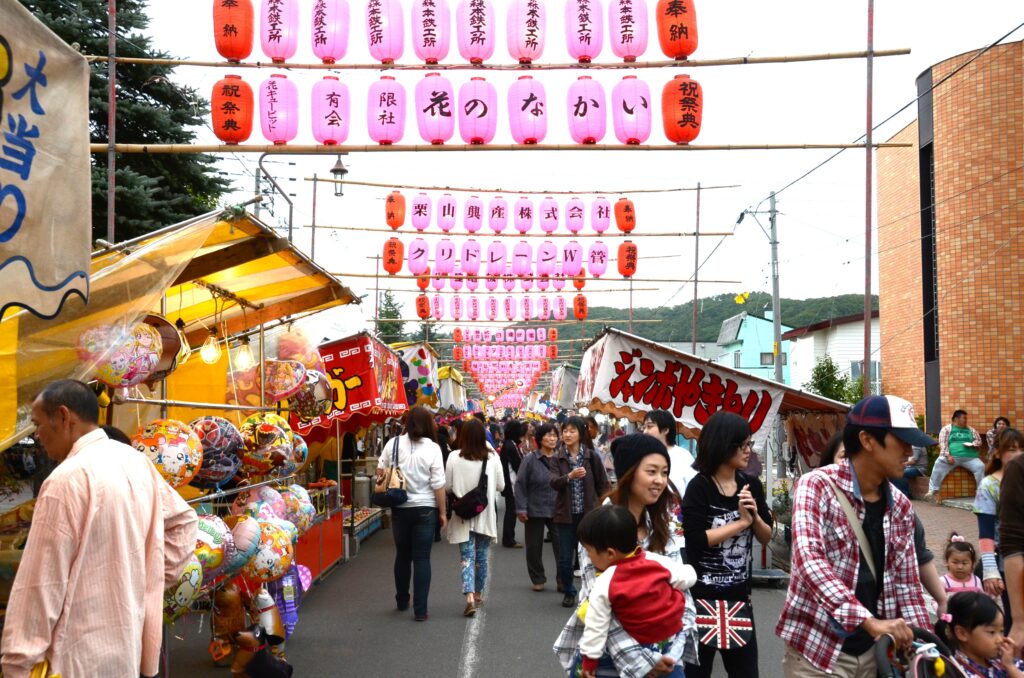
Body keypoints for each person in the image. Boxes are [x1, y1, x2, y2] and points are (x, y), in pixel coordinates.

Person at [1, 380, 198, 678]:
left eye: (38, 424)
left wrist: (17, 665)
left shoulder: (65, 480)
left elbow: (40, 585)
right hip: (124, 645)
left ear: (65, 416)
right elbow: (184, 524)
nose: (37, 435)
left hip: (75, 655)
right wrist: (145, 580)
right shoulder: (134, 461)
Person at [777, 394, 934, 677]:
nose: (909, 451)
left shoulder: (900, 506)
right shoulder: (816, 485)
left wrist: (926, 649)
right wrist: (868, 621)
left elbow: (908, 587)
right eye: (901, 441)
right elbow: (809, 561)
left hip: (875, 654)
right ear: (867, 440)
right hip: (819, 652)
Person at [553, 433, 697, 678]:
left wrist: (672, 653)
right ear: (629, 473)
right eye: (651, 471)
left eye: (664, 472)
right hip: (609, 660)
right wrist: (645, 662)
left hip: (666, 655)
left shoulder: (663, 527)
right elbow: (597, 603)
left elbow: (684, 596)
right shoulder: (599, 527)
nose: (660, 481)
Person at [681, 412, 773, 677]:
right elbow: (696, 541)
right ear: (724, 445)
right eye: (743, 445)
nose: (748, 451)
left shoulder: (750, 485)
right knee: (696, 673)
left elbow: (766, 537)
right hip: (701, 599)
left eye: (749, 445)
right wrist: (740, 524)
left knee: (745, 672)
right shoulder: (700, 487)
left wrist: (753, 517)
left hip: (739, 600)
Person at [574, 505, 697, 678]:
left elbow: (596, 627)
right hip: (669, 640)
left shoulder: (605, 582)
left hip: (639, 645)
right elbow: (688, 575)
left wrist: (590, 661)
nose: (588, 555)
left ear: (610, 553)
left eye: (589, 550)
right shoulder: (656, 560)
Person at [376, 406, 447, 621]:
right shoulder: (433, 448)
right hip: (426, 509)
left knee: (403, 556)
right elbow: (438, 484)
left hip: (400, 508)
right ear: (428, 424)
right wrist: (443, 512)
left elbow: (380, 471)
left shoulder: (393, 443)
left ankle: (401, 599)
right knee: (422, 558)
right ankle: (421, 610)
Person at [445, 418, 503, 617]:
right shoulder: (493, 457)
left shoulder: (453, 457)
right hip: (485, 515)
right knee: (481, 558)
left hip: (463, 515)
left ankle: (468, 596)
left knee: (467, 558)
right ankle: (478, 595)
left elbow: (447, 487)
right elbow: (501, 486)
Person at [551, 416, 611, 608]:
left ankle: (593, 591)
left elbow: (603, 484)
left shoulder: (591, 456)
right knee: (565, 557)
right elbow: (552, 482)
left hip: (589, 515)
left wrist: (603, 507)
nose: (567, 435)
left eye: (572, 431)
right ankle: (569, 591)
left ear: (580, 433)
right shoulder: (557, 457)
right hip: (565, 515)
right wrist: (569, 476)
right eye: (565, 431)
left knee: (592, 555)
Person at [975, 428, 1023, 631]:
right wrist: (990, 569)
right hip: (1007, 562)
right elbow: (985, 533)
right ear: (997, 453)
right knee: (1015, 617)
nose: (1018, 454)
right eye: (1012, 449)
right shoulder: (989, 485)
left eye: (1022, 448)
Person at [515, 422, 562, 592]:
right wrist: (521, 508)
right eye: (548, 435)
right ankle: (538, 578)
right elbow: (520, 484)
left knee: (561, 546)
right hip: (534, 508)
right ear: (540, 439)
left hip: (558, 508)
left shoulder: (561, 459)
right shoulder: (530, 460)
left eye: (555, 435)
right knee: (534, 547)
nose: (552, 438)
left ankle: (563, 579)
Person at [934, 591, 1024, 678]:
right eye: (992, 632)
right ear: (962, 633)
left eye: (1001, 631)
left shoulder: (1003, 660)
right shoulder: (959, 672)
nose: (1000, 639)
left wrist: (1010, 666)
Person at [925, 409, 984, 502]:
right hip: (953, 457)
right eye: (964, 418)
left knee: (980, 466)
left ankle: (981, 492)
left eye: (966, 418)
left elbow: (979, 441)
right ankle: (933, 489)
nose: (966, 420)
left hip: (970, 458)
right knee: (939, 463)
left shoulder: (971, 429)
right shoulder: (946, 429)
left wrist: (974, 444)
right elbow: (943, 443)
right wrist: (948, 455)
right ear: (956, 419)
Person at [642, 409, 697, 498]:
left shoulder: (683, 456)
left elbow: (694, 490)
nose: (644, 432)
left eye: (649, 426)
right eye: (643, 427)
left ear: (665, 430)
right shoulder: (642, 455)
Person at [499, 419, 526, 548]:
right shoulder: (511, 446)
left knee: (511, 511)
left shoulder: (509, 444)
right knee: (511, 511)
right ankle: (508, 539)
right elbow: (518, 464)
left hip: (510, 482)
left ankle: (509, 538)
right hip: (511, 483)